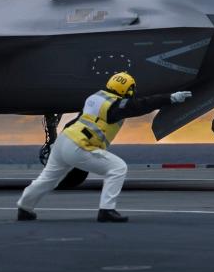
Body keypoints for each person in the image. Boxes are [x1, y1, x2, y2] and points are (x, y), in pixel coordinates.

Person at [17, 72, 192, 223]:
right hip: (80, 146)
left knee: (48, 179)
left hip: (64, 141)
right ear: (127, 90)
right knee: (118, 168)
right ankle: (106, 210)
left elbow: (77, 120)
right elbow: (140, 105)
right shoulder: (114, 105)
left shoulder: (95, 97)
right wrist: (170, 98)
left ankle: (24, 208)